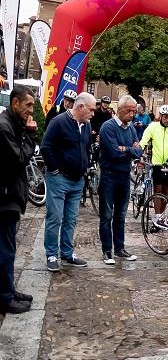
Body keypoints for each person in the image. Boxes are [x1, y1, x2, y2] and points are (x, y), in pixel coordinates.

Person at [40, 92, 96, 272]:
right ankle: (51, 254)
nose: (93, 114)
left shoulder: (86, 126)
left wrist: (85, 168)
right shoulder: (58, 122)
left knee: (71, 219)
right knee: (55, 217)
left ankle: (67, 252)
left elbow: (86, 148)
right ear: (80, 107)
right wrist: (55, 170)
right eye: (91, 110)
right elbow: (46, 147)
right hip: (59, 179)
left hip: (77, 180)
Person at [0, 85, 38, 314]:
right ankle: (5, 298)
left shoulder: (11, 123)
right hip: (5, 197)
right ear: (15, 103)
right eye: (28, 105)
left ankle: (8, 289)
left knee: (8, 247)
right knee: (6, 249)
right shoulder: (4, 127)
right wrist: (31, 134)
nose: (31, 111)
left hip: (9, 194)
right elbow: (19, 159)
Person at [97, 95, 143, 265]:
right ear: (119, 109)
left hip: (124, 176)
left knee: (121, 215)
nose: (132, 115)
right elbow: (114, 153)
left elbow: (139, 150)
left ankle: (120, 248)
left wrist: (126, 148)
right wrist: (130, 149)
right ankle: (107, 250)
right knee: (106, 215)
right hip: (109, 175)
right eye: (128, 111)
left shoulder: (131, 129)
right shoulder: (108, 127)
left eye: (134, 111)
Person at [141, 104, 168, 214]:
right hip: (156, 164)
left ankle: (161, 216)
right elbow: (144, 140)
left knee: (165, 191)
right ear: (160, 116)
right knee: (158, 190)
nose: (167, 120)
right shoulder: (153, 127)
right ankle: (157, 217)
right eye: (165, 117)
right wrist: (139, 153)